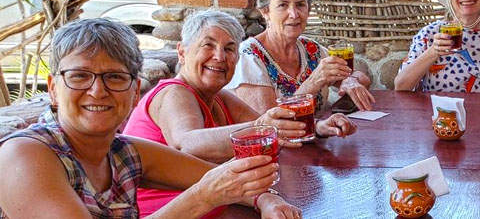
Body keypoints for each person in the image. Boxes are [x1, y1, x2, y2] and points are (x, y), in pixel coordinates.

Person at [0, 18, 300, 218]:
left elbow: (220, 180)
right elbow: (204, 179)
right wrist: (202, 198)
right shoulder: (24, 155)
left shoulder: (123, 151)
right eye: (79, 76)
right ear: (53, 89)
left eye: (115, 77)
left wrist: (265, 200)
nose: (97, 90)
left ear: (134, 93)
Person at [124, 10, 356, 217]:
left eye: (229, 48)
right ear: (182, 52)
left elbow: (267, 126)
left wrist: (316, 127)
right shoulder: (174, 92)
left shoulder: (218, 97)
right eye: (208, 45)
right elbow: (186, 144)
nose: (220, 56)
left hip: (223, 207)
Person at [226, 0, 375, 113]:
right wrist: (314, 82)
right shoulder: (248, 57)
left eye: (300, 4)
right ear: (265, 12)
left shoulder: (311, 49)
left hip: (319, 137)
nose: (294, 14)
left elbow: (363, 79)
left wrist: (351, 81)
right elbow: (269, 126)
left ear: (308, 10)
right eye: (283, 5)